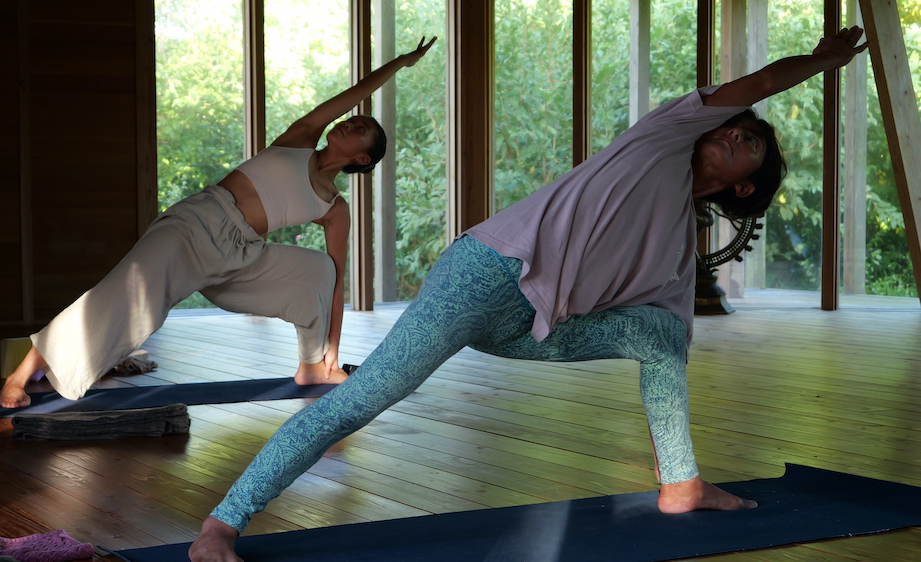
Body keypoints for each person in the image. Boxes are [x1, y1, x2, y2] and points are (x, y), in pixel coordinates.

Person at [188, 28, 868, 561]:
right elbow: (758, 82)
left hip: (533, 322)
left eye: (750, 142)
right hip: (482, 277)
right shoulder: (663, 139)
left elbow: (662, 322)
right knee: (363, 400)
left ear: (746, 185)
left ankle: (682, 484)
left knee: (665, 338)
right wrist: (822, 61)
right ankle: (222, 523)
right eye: (734, 125)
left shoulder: (674, 248)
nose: (735, 131)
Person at [0, 37, 439, 409]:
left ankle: (311, 367)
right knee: (123, 294)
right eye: (352, 118)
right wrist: (400, 63)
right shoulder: (301, 138)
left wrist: (332, 357)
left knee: (321, 269)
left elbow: (336, 283)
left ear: (362, 158)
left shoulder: (335, 208)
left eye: (360, 128)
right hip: (195, 225)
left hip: (240, 255)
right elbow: (356, 89)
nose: (349, 122)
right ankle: (22, 374)